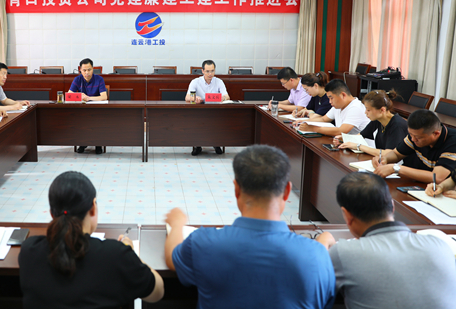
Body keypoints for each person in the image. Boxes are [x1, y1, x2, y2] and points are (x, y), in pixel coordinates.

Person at [165, 145, 335, 309]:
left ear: (236, 190)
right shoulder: (317, 255)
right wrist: (321, 244)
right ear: (287, 191)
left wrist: (177, 223)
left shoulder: (203, 242)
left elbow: (172, 258)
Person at [19, 171, 164, 308]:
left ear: (52, 213)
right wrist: (131, 253)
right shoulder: (116, 255)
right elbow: (157, 292)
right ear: (93, 207)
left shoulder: (29, 251)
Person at [317, 172, 456, 309]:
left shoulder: (343, 253)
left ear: (347, 215)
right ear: (392, 206)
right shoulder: (440, 246)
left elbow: (312, 282)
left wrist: (321, 244)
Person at [372, 109, 456, 183]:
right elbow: (396, 154)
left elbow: (437, 177)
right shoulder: (415, 135)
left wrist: (396, 168)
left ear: (436, 133)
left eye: (418, 137)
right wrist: (385, 159)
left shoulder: (452, 142)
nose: (412, 139)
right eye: (410, 134)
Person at [335, 90, 408, 158]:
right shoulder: (378, 119)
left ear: (382, 110)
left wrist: (359, 146)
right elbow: (360, 136)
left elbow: (389, 153)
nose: (365, 112)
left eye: (368, 110)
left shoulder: (397, 125)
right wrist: (344, 139)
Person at [185, 60, 229, 156]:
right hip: (199, 111)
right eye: (207, 71)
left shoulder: (219, 81)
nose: (210, 74)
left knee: (218, 120)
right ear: (203, 71)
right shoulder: (195, 81)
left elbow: (227, 97)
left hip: (215, 111)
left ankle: (216, 143)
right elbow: (187, 97)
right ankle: (197, 145)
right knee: (198, 120)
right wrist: (194, 98)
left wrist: (221, 98)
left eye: (212, 71)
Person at [295, 79, 370, 136]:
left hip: (361, 148)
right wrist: (304, 121)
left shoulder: (355, 108)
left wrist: (312, 128)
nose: (330, 102)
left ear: (343, 95)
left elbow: (341, 131)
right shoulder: (338, 106)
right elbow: (323, 119)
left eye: (331, 98)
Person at [69, 58, 108, 155]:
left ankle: (98, 144)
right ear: (80, 70)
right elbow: (69, 96)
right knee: (80, 119)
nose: (87, 72)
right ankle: (83, 143)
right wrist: (80, 96)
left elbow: (104, 96)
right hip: (82, 110)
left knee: (97, 120)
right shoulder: (77, 79)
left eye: (89, 70)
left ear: (93, 69)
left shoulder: (99, 79)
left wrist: (89, 98)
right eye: (84, 70)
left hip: (97, 109)